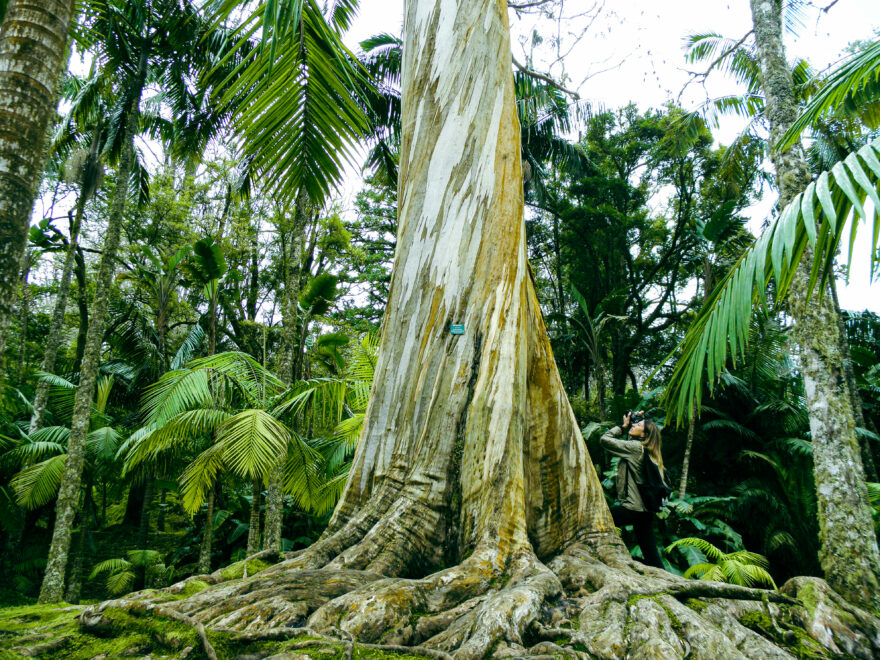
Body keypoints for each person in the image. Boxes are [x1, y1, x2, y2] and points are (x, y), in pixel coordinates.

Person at [599, 410, 667, 568]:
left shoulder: (636, 449)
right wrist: (637, 422)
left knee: (598, 518)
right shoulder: (646, 450)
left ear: (644, 435)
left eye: (638, 425)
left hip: (632, 509)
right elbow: (631, 442)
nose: (634, 424)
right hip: (645, 512)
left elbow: (605, 440)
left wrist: (622, 427)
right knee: (653, 560)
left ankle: (625, 564)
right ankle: (668, 581)